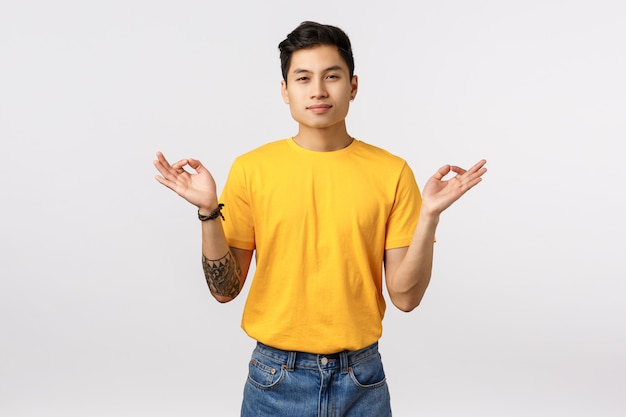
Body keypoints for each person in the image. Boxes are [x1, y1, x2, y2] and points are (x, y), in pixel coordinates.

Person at [154, 21, 486, 417]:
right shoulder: (251, 169)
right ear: (285, 90)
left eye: (332, 76)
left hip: (362, 380)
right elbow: (225, 291)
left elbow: (406, 298)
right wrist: (209, 211)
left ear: (353, 86)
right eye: (303, 78)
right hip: (274, 379)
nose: (318, 90)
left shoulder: (392, 172)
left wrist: (429, 215)